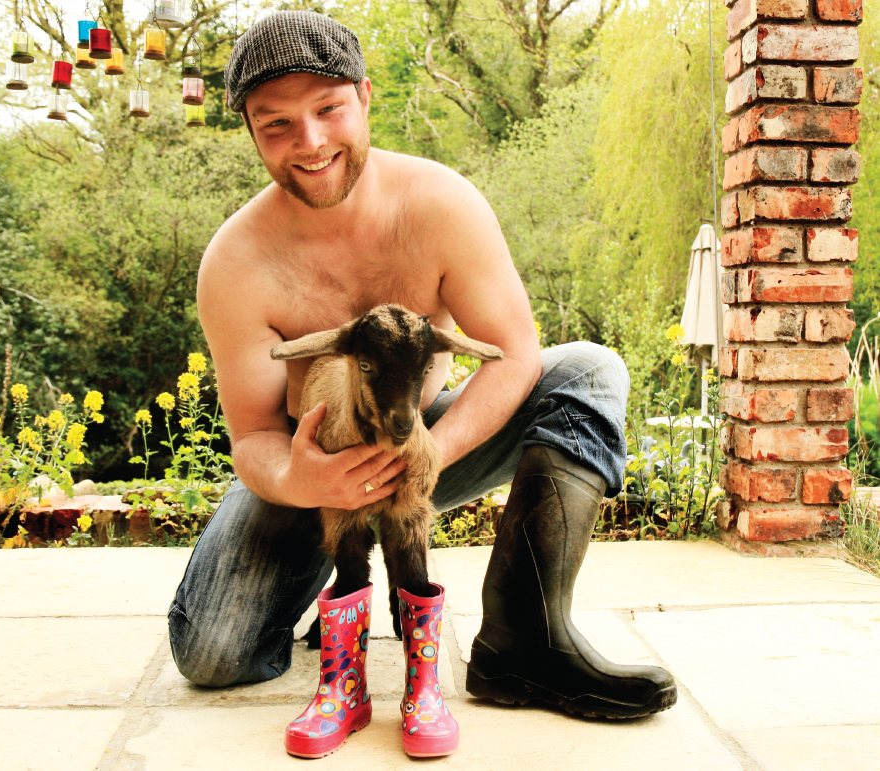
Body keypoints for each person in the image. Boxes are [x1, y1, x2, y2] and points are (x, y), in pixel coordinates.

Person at [169, 8, 676, 728]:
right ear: (249, 130)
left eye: (327, 109)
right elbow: (253, 433)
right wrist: (297, 478)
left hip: (423, 443)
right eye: (275, 124)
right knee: (212, 656)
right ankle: (330, 585)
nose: (309, 143)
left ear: (365, 97)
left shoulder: (440, 203)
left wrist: (432, 452)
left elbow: (515, 351)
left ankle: (522, 641)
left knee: (588, 370)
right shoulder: (235, 262)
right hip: (306, 470)